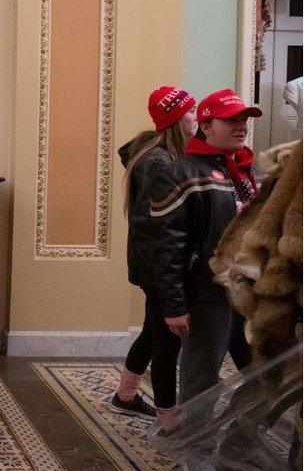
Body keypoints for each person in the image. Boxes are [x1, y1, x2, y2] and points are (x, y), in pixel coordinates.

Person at [148, 89, 262, 411]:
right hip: (207, 296)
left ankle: (236, 445)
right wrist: (173, 306)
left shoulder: (247, 170)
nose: (241, 127)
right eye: (231, 121)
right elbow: (167, 247)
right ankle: (196, 454)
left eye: (244, 120)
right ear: (207, 125)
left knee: (268, 374)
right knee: (200, 385)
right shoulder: (180, 173)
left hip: (250, 293)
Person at [111, 86, 198, 426]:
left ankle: (125, 395)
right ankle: (168, 421)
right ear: (176, 118)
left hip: (154, 264)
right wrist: (169, 276)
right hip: (160, 265)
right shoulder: (160, 163)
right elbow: (159, 227)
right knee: (166, 341)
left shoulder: (158, 155)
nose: (197, 116)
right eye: (191, 111)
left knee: (152, 331)